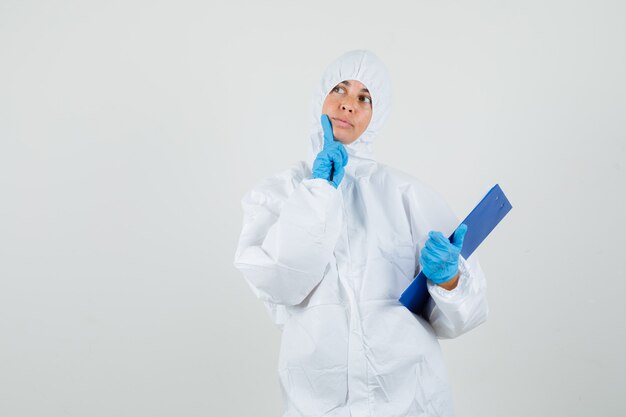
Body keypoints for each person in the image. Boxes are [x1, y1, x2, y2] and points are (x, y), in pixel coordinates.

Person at [233, 50, 488, 417]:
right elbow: (281, 283)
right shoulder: (279, 193)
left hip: (409, 400)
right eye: (339, 89)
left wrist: (450, 281)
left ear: (376, 115)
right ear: (319, 97)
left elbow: (465, 314)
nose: (348, 105)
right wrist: (317, 191)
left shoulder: (408, 195)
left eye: (364, 98)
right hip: (317, 402)